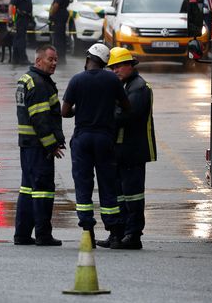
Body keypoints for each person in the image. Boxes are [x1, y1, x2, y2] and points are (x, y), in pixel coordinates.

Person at [61, 43, 130, 247]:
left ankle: (87, 232)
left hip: (82, 139)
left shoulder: (76, 80)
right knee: (108, 184)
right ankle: (115, 234)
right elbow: (127, 106)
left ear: (88, 59)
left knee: (83, 185)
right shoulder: (111, 79)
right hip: (104, 139)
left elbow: (64, 111)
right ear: (105, 62)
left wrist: (79, 110)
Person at [97, 47, 156, 250]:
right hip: (121, 150)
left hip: (133, 150)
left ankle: (133, 235)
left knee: (133, 195)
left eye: (119, 66)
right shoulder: (124, 86)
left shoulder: (138, 87)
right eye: (112, 67)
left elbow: (127, 115)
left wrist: (103, 114)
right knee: (119, 195)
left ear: (130, 65)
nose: (115, 70)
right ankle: (119, 234)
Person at [14, 44, 65, 246]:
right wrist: (52, 145)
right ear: (38, 61)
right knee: (43, 190)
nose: (54, 63)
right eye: (50, 59)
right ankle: (43, 235)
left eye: (55, 60)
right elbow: (40, 119)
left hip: (28, 146)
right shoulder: (39, 83)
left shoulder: (28, 79)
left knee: (28, 190)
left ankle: (23, 234)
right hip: (38, 147)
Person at [10, 0, 33, 65]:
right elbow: (12, 5)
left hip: (25, 18)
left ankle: (15, 59)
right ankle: (23, 59)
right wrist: (11, 19)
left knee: (18, 39)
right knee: (21, 40)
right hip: (20, 19)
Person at [49, 0, 70, 65]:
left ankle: (60, 59)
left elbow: (56, 5)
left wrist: (51, 16)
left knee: (58, 39)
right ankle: (62, 59)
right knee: (61, 38)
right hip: (62, 15)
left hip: (59, 16)